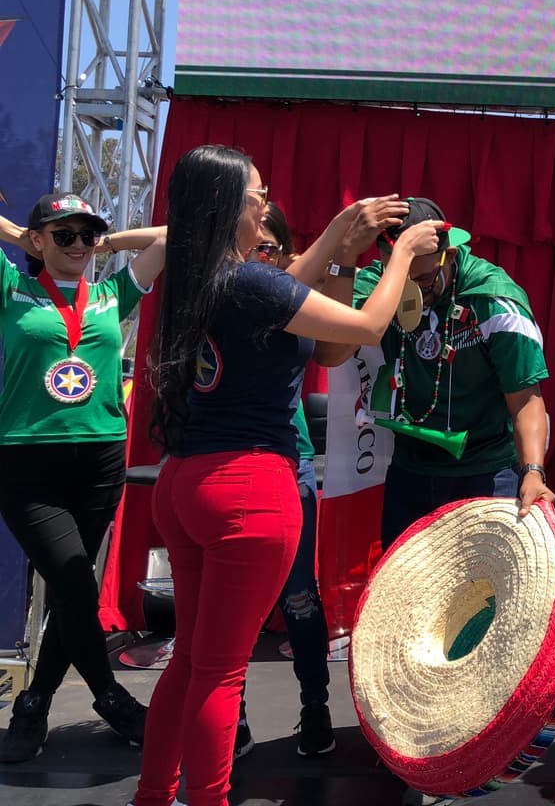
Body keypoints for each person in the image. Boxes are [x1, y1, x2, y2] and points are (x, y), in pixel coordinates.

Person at [131, 145, 441, 806]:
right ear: (226, 208)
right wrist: (398, 257)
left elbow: (304, 309)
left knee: (190, 662)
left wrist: (335, 245)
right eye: (257, 196)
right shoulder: (249, 281)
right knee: (218, 673)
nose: (266, 206)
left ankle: (154, 796)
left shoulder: (208, 279)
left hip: (184, 483)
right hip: (248, 488)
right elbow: (364, 326)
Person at [0, 195, 165, 762]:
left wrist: (110, 243)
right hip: (27, 460)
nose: (77, 245)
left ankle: (35, 704)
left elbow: (172, 238)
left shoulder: (110, 293)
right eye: (62, 234)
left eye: (85, 235)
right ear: (39, 241)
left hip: (98, 460)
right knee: (74, 585)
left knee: (72, 591)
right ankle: (111, 696)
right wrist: (17, 232)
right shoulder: (11, 289)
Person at [312, 197, 555, 553]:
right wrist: (346, 257)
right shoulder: (380, 283)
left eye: (425, 279)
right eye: (403, 280)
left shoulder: (493, 300)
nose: (415, 294)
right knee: (409, 595)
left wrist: (533, 470)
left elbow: (525, 400)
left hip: (486, 469)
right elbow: (330, 353)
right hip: (411, 470)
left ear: (451, 256)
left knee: (483, 599)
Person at [231, 201, 341, 760]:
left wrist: (339, 264)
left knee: (299, 597)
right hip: (231, 464)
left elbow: (343, 347)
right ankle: (235, 718)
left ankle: (315, 706)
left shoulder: (294, 299)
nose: (256, 259)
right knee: (236, 607)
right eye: (247, 249)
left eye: (268, 249)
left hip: (290, 463)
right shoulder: (223, 295)